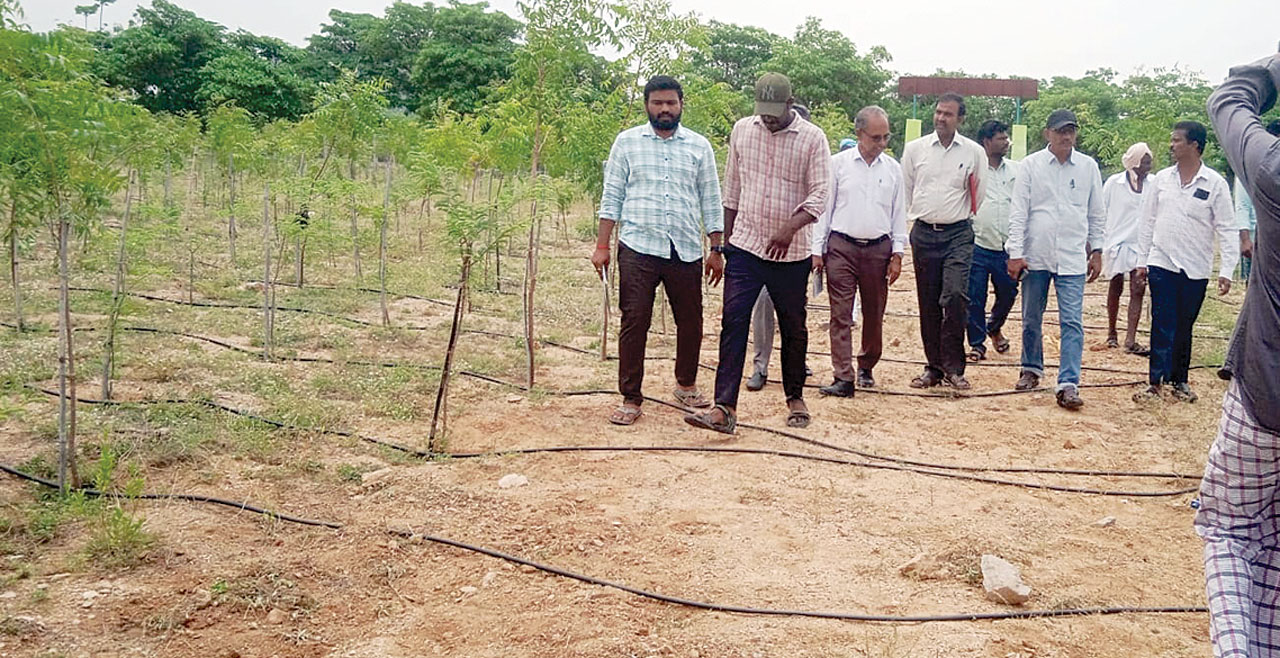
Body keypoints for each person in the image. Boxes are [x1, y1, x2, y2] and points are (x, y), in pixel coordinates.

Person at [685, 73, 830, 434]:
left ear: (790, 102)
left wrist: (789, 228)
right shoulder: (743, 131)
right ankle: (724, 408)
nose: (767, 118)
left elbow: (820, 195)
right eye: (762, 111)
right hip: (746, 249)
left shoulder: (812, 139)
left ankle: (795, 396)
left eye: (774, 111)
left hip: (791, 254)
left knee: (793, 328)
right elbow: (732, 190)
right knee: (733, 323)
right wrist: (725, 244)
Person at [1194, 52, 1280, 658]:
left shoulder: (1273, 168)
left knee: (1229, 525)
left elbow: (1228, 98)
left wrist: (1272, 67)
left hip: (1265, 397)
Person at [592, 75, 723, 425]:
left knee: (691, 320)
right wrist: (602, 245)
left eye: (671, 103)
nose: (665, 109)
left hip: (684, 249)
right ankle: (631, 397)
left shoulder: (699, 146)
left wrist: (716, 248)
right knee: (635, 320)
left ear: (681, 105)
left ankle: (686, 383)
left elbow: (711, 199)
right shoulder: (627, 143)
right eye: (657, 103)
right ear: (647, 105)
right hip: (638, 246)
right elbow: (612, 196)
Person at [1005, 109, 1105, 410]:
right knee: (1031, 317)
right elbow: (1019, 211)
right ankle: (1031, 368)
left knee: (1072, 321)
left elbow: (1096, 212)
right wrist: (1016, 252)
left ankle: (1068, 383)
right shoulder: (1031, 166)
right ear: (1047, 133)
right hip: (1036, 255)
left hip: (1073, 256)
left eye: (1071, 130)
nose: (1066, 136)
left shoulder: (1088, 167)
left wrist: (1097, 250)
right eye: (1060, 130)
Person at [1132, 121, 1238, 403]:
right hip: (1161, 261)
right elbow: (1147, 222)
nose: (1172, 145)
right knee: (1162, 321)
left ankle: (1180, 380)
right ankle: (1155, 383)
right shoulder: (1161, 181)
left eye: (1178, 140)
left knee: (1184, 324)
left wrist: (1227, 269)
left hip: (1195, 266)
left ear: (1195, 145)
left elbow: (1227, 228)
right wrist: (1142, 261)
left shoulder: (1214, 183)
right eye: (1172, 140)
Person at [811, 105, 905, 394]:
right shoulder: (837, 165)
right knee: (840, 313)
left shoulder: (893, 170)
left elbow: (899, 213)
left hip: (879, 249)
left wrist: (898, 254)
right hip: (841, 247)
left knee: (874, 311)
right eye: (876, 137)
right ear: (859, 133)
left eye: (885, 137)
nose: (881, 144)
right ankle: (843, 376)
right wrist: (818, 249)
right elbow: (824, 208)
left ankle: (866, 365)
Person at [901, 93, 986, 390]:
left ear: (960, 119)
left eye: (948, 114)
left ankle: (955, 367)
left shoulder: (974, 152)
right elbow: (906, 190)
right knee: (928, 302)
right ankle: (933, 368)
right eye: (938, 112)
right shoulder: (914, 149)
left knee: (954, 295)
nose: (941, 118)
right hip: (924, 232)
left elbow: (979, 194)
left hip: (958, 234)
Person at [745, 103, 815, 391]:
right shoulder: (761, 151)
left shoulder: (812, 153)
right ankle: (760, 366)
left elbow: (819, 201)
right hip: (760, 248)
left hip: (798, 250)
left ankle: (796, 364)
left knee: (795, 314)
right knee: (762, 308)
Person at [966, 120, 1020, 362]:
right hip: (977, 243)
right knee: (975, 296)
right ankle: (977, 345)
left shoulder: (1017, 171)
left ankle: (994, 327)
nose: (1006, 141)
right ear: (986, 142)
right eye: (1000, 137)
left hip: (1007, 246)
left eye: (1006, 136)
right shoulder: (973, 170)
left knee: (1008, 292)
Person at [1101, 142, 1155, 355]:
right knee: (1116, 286)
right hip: (1117, 241)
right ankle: (1112, 332)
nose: (1149, 165)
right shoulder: (1114, 183)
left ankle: (1130, 338)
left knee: (1138, 288)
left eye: (1150, 161)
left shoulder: (1154, 184)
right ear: (1135, 162)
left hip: (1142, 244)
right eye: (1145, 161)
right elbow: (1102, 209)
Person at [1235, 119, 1280, 284]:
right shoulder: (1251, 166)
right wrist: (1245, 239)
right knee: (1256, 289)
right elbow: (1242, 205)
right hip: (1256, 242)